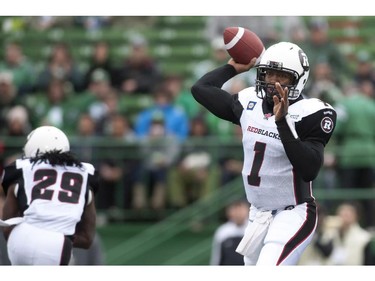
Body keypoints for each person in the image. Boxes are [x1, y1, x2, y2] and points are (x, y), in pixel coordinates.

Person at [191, 41, 337, 265]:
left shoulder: (312, 113)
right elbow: (200, 90)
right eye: (268, 73)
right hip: (258, 215)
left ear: (299, 80)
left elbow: (310, 169)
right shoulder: (249, 102)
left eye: (282, 76)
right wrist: (231, 68)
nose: (272, 82)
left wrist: (282, 123)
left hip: (293, 212)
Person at [0, 125, 99, 265]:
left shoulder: (22, 169)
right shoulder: (86, 173)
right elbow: (87, 238)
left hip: (22, 238)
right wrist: (60, 236)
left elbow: (7, 225)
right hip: (57, 245)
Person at [210, 200, 250, 265]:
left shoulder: (253, 229)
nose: (238, 213)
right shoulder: (222, 231)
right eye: (235, 209)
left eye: (241, 209)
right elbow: (217, 257)